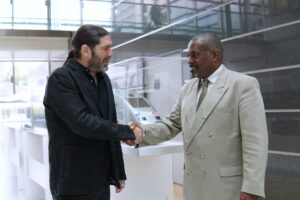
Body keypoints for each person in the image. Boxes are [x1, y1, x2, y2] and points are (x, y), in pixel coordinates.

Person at [129, 33, 268, 200]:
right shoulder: (187, 89)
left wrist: (252, 188)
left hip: (227, 188)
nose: (189, 61)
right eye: (188, 55)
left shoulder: (243, 85)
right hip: (194, 186)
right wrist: (140, 134)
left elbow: (255, 141)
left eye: (195, 55)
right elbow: (172, 124)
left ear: (215, 55)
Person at [43, 24, 141, 200]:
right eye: (105, 48)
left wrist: (118, 171)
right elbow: (83, 122)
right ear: (86, 50)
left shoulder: (103, 79)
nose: (110, 53)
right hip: (73, 184)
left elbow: (110, 121)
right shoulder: (61, 79)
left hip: (100, 180)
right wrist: (127, 131)